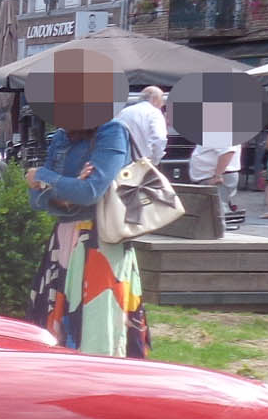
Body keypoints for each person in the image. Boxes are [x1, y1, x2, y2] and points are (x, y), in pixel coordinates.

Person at [27, 118, 148, 356]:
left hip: (101, 243)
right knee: (55, 334)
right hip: (64, 241)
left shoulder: (111, 131)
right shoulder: (62, 134)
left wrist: (43, 177)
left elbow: (90, 192)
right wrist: (68, 191)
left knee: (98, 331)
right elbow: (35, 199)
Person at [116, 85, 169, 162]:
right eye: (162, 101)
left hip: (122, 162)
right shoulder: (154, 113)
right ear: (155, 100)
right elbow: (160, 138)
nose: (162, 105)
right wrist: (155, 159)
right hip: (143, 164)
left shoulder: (124, 112)